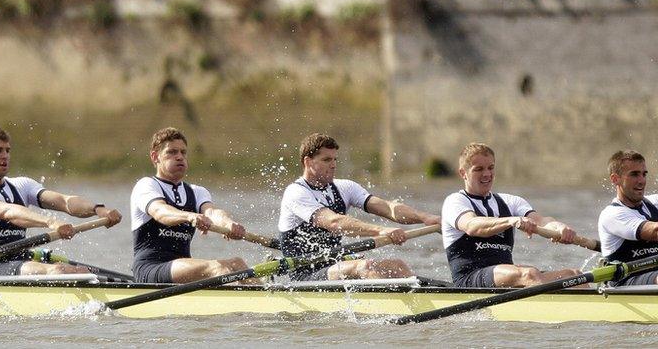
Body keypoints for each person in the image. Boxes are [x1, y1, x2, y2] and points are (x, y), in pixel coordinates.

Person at [0, 127, 121, 276]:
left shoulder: (22, 185)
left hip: (23, 260)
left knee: (84, 272)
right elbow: (9, 213)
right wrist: (51, 222)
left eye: (7, 150)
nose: (5, 156)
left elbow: (64, 201)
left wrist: (98, 209)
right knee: (58, 270)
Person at [279, 133, 440, 281]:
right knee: (364, 266)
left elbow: (388, 207)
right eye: (327, 160)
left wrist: (425, 218)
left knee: (397, 265)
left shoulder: (345, 187)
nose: (334, 165)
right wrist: (380, 230)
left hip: (336, 265)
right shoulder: (296, 193)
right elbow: (334, 222)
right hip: (306, 275)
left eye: (335, 159)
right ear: (307, 162)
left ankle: (422, 301)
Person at [442, 142, 584, 287]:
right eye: (479, 169)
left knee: (575, 276)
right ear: (463, 173)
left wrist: (560, 228)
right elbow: (472, 226)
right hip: (470, 279)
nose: (487, 174)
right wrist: (511, 221)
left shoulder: (510, 201)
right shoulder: (455, 201)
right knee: (529, 274)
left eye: (491, 168)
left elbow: (541, 221)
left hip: (505, 277)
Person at [130, 127, 253, 284]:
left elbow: (212, 213)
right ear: (155, 157)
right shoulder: (146, 185)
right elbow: (161, 212)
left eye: (183, 152)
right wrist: (189, 215)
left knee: (238, 264)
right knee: (219, 269)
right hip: (151, 268)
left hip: (183, 269)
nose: (179, 157)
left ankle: (268, 304)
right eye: (172, 152)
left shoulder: (196, 191)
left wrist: (228, 224)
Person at [598, 150, 658, 285]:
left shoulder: (654, 203)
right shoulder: (611, 215)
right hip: (627, 280)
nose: (642, 181)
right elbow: (654, 232)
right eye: (634, 174)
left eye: (644, 174)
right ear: (615, 179)